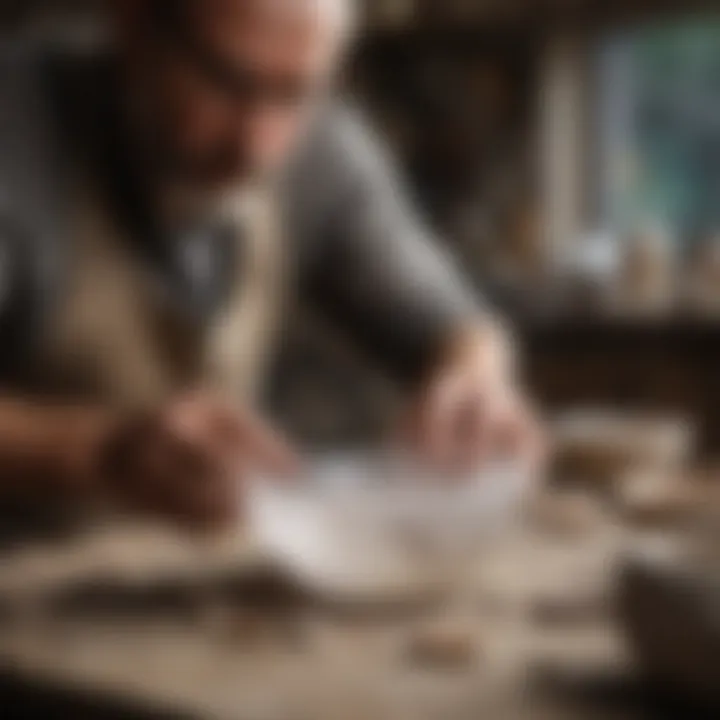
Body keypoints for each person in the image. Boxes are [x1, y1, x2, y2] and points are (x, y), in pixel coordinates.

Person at [0, 0, 542, 531]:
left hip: (157, 589)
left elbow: (454, 324)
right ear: (133, 24)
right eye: (226, 82)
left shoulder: (320, 148)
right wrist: (99, 450)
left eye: (295, 94)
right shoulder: (18, 135)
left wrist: (475, 380)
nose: (255, 145)